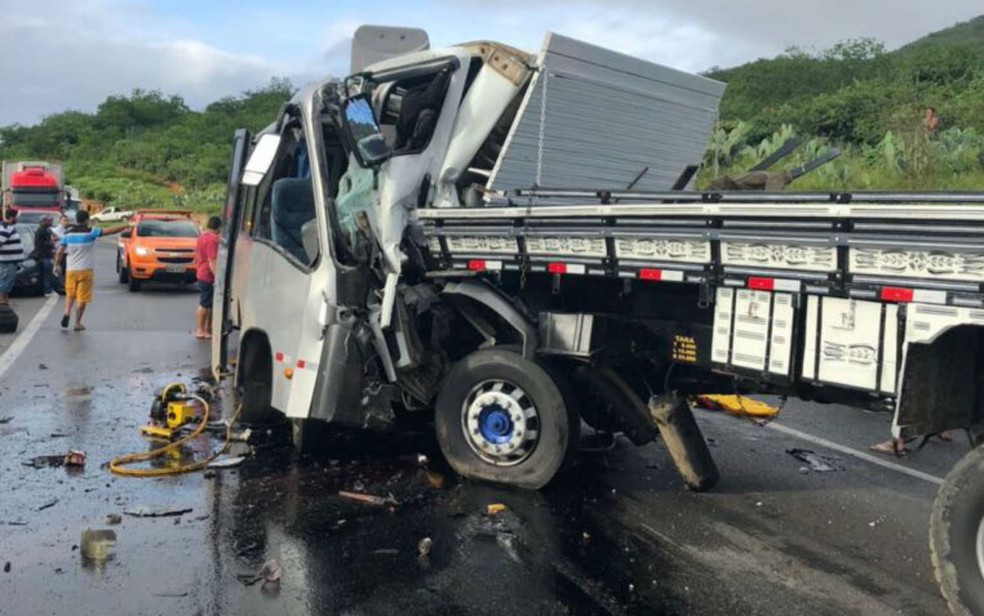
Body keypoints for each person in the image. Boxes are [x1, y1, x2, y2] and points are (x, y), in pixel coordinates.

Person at [53, 210, 129, 331]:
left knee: (70, 294)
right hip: (86, 270)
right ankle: (77, 323)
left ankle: (67, 313)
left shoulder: (67, 234)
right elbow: (109, 231)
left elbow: (60, 251)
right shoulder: (91, 232)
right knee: (82, 297)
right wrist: (125, 226)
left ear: (76, 219)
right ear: (87, 220)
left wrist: (56, 265)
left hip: (71, 269)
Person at [194, 216, 221, 340]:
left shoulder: (202, 237)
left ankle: (207, 329)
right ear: (218, 227)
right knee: (204, 303)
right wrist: (218, 276)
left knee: (209, 303)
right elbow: (212, 260)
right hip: (207, 275)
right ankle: (200, 329)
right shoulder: (213, 240)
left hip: (201, 272)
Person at [0, 209, 24, 306]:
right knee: (5, 281)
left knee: (7, 282)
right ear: (12, 217)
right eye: (16, 217)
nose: (17, 219)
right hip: (7, 261)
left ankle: (5, 301)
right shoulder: (6, 228)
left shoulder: (8, 227)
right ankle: (2, 301)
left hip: (10, 261)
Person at [33, 216, 56, 296]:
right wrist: (51, 243)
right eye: (48, 221)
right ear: (43, 222)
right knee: (47, 273)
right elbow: (41, 244)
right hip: (44, 255)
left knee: (48, 272)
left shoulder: (46, 230)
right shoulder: (41, 231)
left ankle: (48, 289)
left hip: (46, 254)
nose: (50, 222)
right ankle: (47, 290)